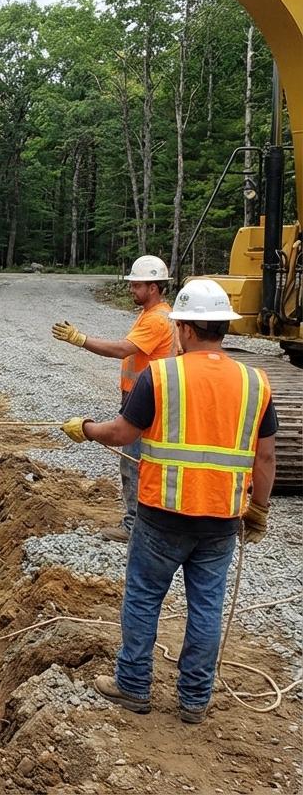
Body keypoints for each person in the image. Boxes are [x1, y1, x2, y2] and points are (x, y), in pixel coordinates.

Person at [61, 278, 277, 725]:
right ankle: (194, 700)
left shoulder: (162, 375)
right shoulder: (256, 382)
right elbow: (267, 455)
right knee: (206, 606)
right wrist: (258, 510)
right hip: (220, 520)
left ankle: (134, 687)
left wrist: (85, 428)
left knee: (143, 598)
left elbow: (122, 433)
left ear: (188, 329)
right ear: (223, 327)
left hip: (162, 514)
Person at [52, 254, 178, 542]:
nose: (132, 290)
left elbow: (123, 350)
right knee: (141, 460)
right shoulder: (155, 314)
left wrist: (79, 339)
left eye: (137, 286)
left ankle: (134, 525)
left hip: (145, 400)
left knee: (132, 459)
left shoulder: (157, 320)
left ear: (154, 287)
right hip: (147, 397)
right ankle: (149, 520)